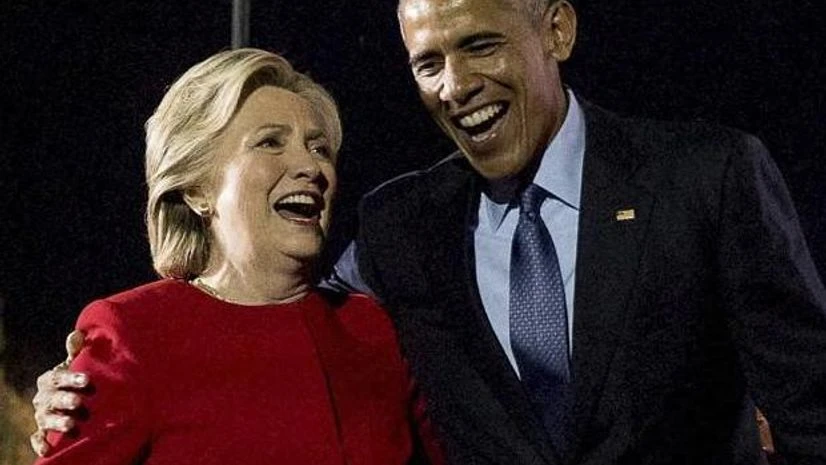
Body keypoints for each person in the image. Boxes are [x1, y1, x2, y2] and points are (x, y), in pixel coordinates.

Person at [32, 0, 826, 463]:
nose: (456, 85)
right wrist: (78, 386)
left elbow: (811, 408)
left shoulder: (705, 176)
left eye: (480, 44)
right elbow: (261, 309)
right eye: (427, 62)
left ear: (556, 29)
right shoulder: (403, 227)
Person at [28, 48, 443, 465]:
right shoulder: (135, 333)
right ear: (197, 190)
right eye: (270, 142)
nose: (311, 167)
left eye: (319, 148)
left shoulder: (373, 330)